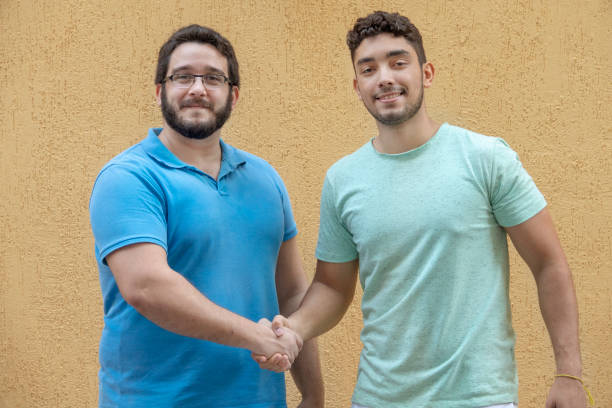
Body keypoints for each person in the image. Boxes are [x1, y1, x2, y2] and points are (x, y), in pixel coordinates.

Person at [255, 11, 587, 408]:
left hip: (479, 400)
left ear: (426, 73)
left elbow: (549, 263)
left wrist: (568, 373)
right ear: (357, 86)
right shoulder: (343, 179)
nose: (385, 78)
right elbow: (332, 285)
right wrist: (294, 330)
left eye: (398, 62)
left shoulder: (485, 159)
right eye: (369, 69)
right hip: (376, 399)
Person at [89, 24, 323, 407]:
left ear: (233, 96)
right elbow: (148, 286)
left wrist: (313, 395)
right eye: (182, 76)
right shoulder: (129, 178)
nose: (197, 88)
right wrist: (256, 336)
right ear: (159, 90)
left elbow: (292, 294)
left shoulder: (266, 180)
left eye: (212, 78)